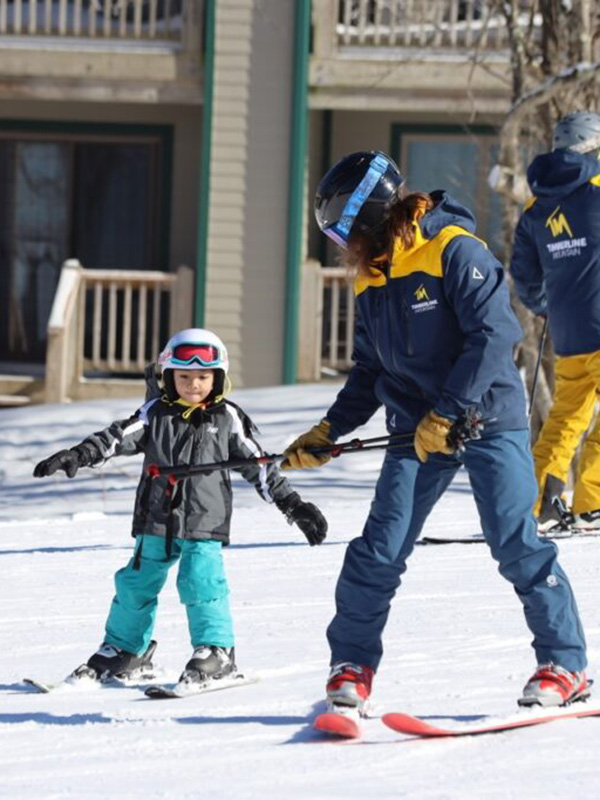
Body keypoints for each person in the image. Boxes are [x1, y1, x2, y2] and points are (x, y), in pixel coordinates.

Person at [282, 150, 589, 711]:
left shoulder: (453, 250)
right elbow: (371, 368)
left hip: (486, 418)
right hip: (414, 429)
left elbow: (496, 336)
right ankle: (351, 664)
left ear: (368, 214)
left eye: (342, 231)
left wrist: (448, 411)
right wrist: (330, 428)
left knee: (516, 543)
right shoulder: (372, 277)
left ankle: (564, 663)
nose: (342, 246)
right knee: (380, 547)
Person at [33, 328, 327, 685]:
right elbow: (115, 439)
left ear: (218, 378)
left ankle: (217, 651)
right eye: (184, 376)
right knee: (135, 584)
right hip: (156, 519)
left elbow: (260, 466)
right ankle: (126, 650)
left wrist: (293, 505)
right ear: (168, 377)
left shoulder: (227, 419)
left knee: (200, 581)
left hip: (204, 522)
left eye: (203, 377)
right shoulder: (154, 414)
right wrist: (78, 454)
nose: (193, 384)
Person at [511, 111, 600, 534]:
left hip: (569, 334)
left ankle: (538, 502)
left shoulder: (535, 206)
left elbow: (524, 276)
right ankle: (593, 503)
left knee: (567, 416)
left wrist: (547, 305)